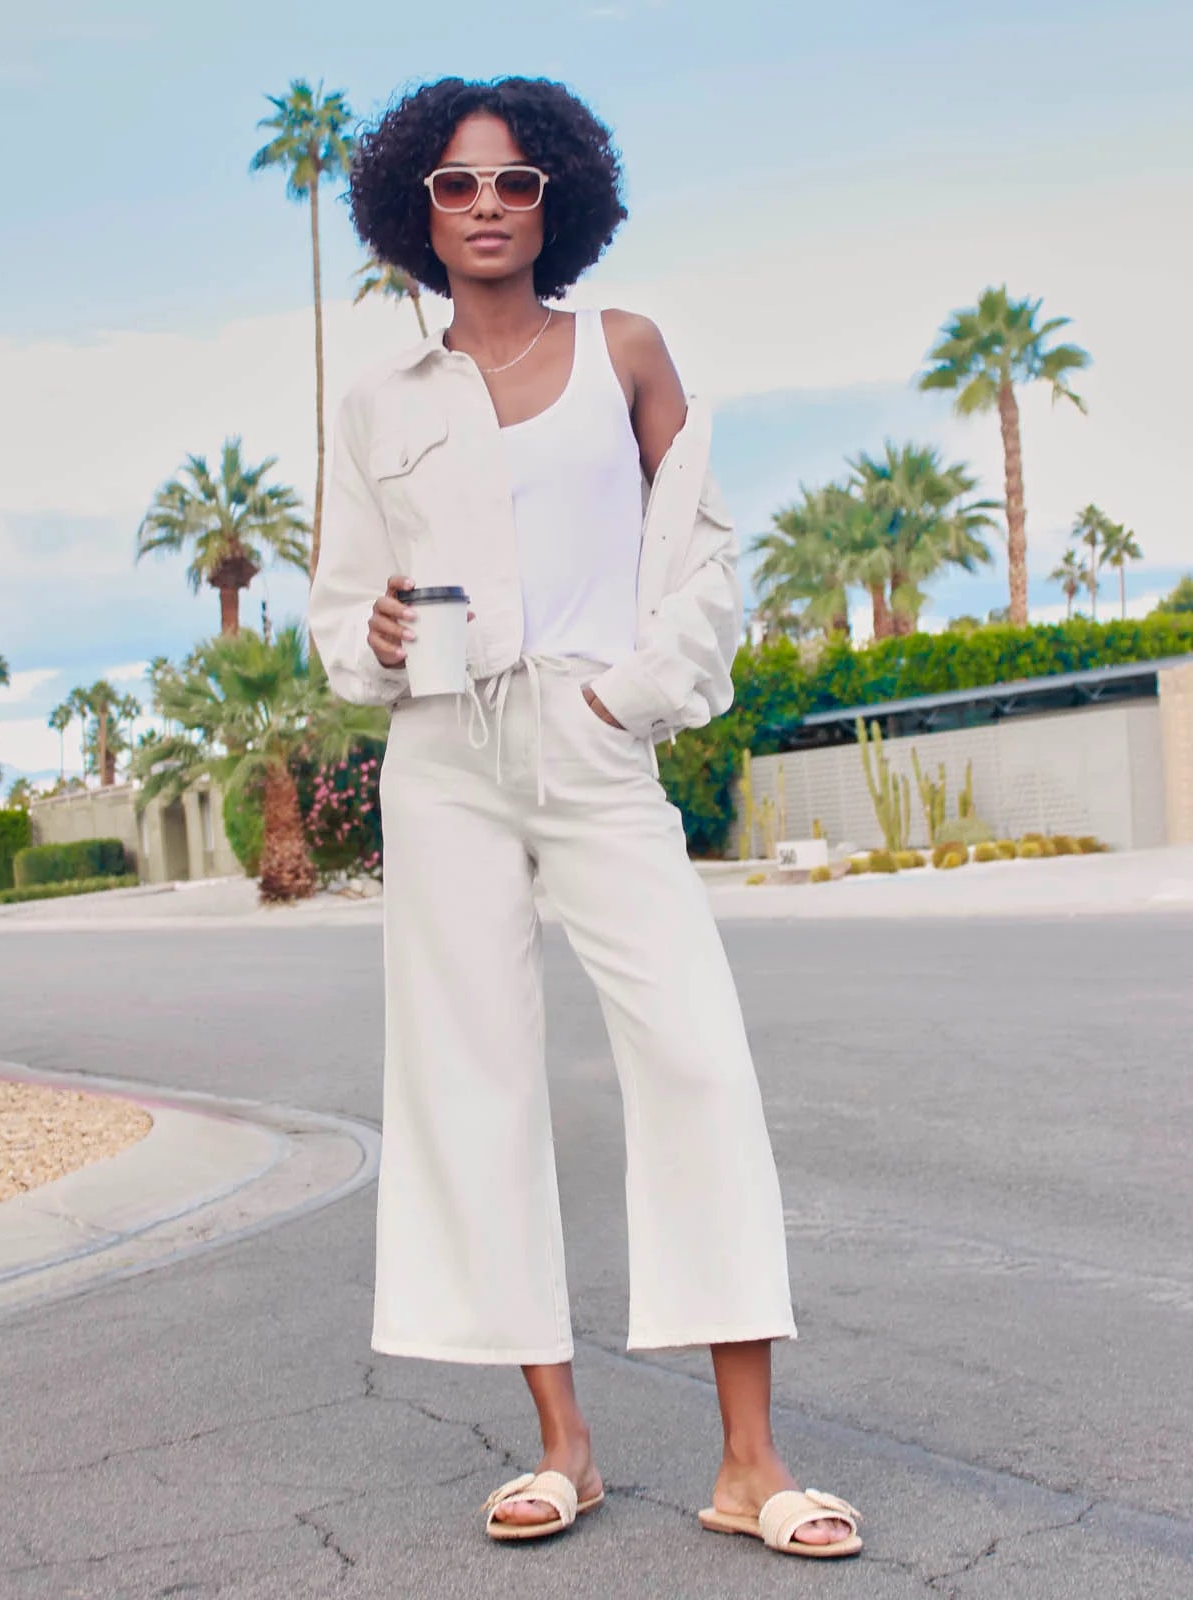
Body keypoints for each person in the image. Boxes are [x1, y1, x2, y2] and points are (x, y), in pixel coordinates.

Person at [309, 75, 862, 1561]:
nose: (485, 205)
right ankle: (564, 1442)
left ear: (562, 198)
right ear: (412, 212)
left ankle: (751, 1461)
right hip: (442, 754)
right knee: (474, 1080)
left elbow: (708, 551)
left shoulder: (626, 348)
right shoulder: (376, 405)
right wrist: (363, 633)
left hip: (594, 736)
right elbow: (328, 622)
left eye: (515, 179)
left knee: (694, 1058)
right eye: (454, 184)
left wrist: (634, 696)